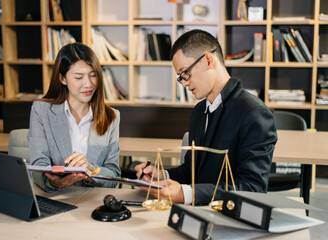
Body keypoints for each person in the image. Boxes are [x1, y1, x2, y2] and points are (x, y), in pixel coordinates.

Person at [135, 29, 277, 205]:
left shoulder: (254, 113)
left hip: (228, 220)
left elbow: (252, 188)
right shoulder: (199, 111)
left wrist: (185, 194)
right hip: (196, 213)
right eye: (181, 77)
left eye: (185, 73)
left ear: (208, 60)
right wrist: (163, 175)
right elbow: (192, 170)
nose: (185, 82)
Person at [28, 43, 120, 192]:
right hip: (56, 199)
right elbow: (38, 169)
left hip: (93, 204)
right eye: (78, 77)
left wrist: (91, 169)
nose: (88, 84)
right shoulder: (41, 111)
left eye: (93, 75)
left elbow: (114, 177)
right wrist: (58, 182)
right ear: (62, 79)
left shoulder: (111, 117)